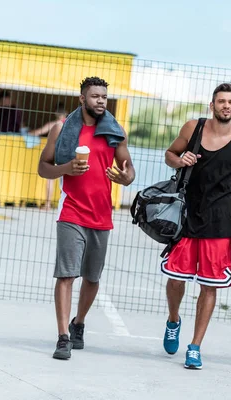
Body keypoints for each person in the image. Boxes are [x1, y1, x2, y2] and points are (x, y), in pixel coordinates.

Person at [38, 77, 135, 360]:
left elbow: (129, 172)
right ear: (83, 99)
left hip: (102, 213)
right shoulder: (63, 128)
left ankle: (78, 323)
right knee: (66, 273)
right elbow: (44, 168)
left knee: (92, 277)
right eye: (95, 96)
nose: (101, 101)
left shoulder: (115, 131)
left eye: (104, 96)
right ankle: (62, 337)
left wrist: (125, 178)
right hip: (71, 211)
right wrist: (67, 167)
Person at [161, 83, 231, 369]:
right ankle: (174, 319)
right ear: (211, 105)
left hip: (220, 220)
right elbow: (169, 155)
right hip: (187, 215)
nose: (226, 105)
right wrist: (180, 159)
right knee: (176, 279)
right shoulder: (193, 128)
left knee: (209, 286)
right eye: (221, 101)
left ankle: (195, 346)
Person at [31, 103, 69, 210]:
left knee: (50, 179)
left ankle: (48, 203)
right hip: (67, 154)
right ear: (66, 113)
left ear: (55, 113)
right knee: (67, 180)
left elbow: (38, 132)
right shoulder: (71, 124)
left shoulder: (53, 124)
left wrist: (28, 132)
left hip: (55, 154)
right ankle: (65, 204)